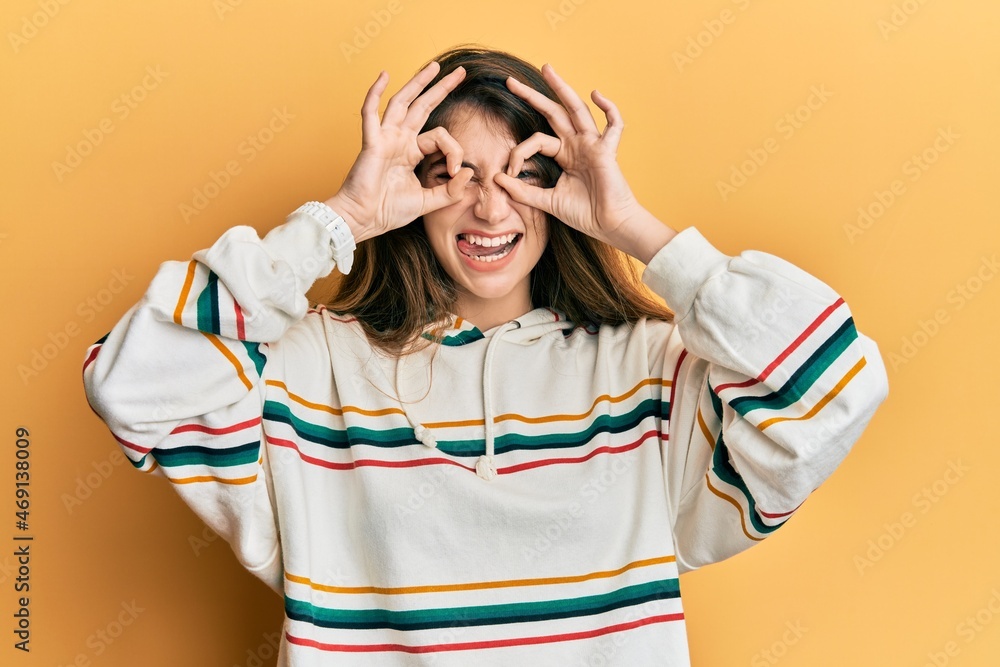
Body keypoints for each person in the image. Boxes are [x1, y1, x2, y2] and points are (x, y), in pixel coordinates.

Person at [82, 45, 889, 666]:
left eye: (524, 172)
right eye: (457, 172)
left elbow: (834, 389)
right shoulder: (310, 368)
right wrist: (337, 220)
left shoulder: (649, 371)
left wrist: (637, 229)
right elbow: (130, 383)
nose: (491, 203)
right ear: (415, 187)